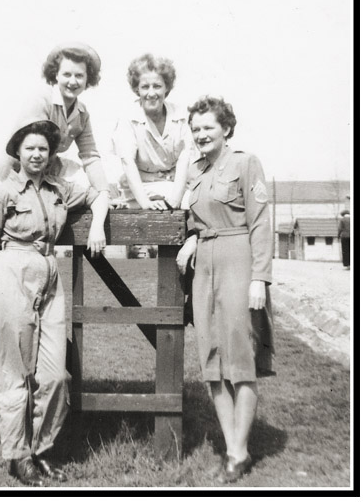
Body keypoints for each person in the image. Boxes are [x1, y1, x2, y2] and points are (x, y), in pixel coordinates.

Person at [0, 119, 109, 486]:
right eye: (30, 148)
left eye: (43, 149)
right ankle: (18, 456)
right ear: (17, 153)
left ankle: (41, 449)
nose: (36, 154)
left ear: (51, 156)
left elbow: (98, 194)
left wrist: (97, 225)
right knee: (13, 373)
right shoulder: (1, 191)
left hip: (50, 277)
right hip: (11, 273)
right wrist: (4, 282)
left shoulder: (58, 189)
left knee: (55, 374)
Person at [176, 96, 274, 484]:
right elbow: (196, 216)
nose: (200, 135)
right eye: (195, 129)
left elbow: (261, 222)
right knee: (212, 359)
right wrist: (192, 237)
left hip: (239, 261)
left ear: (226, 129)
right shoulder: (196, 172)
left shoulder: (245, 163)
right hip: (205, 268)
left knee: (240, 356)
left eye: (208, 128)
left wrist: (258, 278)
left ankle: (237, 451)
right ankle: (236, 448)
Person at [0, 42, 110, 199]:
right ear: (56, 74)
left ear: (88, 79)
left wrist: (104, 192)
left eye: (79, 75)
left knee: (87, 188)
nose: (73, 82)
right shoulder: (41, 100)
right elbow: (30, 152)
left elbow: (90, 156)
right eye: (67, 74)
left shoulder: (82, 113)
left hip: (47, 169)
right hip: (12, 171)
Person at [112, 53, 192, 210]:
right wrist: (145, 203)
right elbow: (128, 162)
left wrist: (175, 201)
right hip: (141, 188)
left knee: (195, 200)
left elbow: (184, 160)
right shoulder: (128, 118)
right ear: (137, 89)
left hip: (176, 185)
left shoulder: (181, 116)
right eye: (145, 87)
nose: (151, 93)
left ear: (166, 87)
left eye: (157, 86)